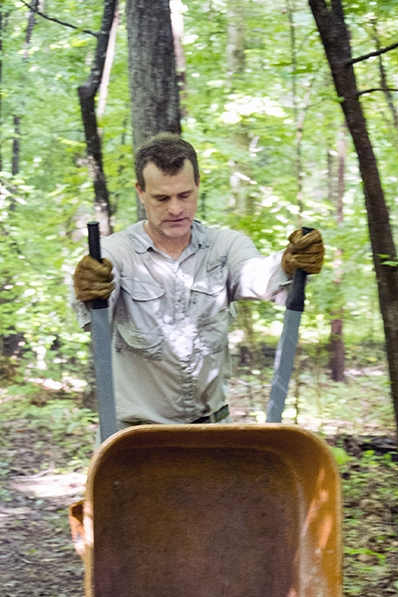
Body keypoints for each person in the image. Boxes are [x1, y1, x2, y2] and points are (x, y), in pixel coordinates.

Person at [71, 132, 324, 428]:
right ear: (140, 192)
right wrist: (87, 288)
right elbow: (94, 306)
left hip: (212, 429)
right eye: (162, 198)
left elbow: (256, 274)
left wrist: (287, 264)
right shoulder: (115, 253)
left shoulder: (225, 247)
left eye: (184, 195)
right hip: (135, 436)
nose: (176, 209)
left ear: (198, 184)